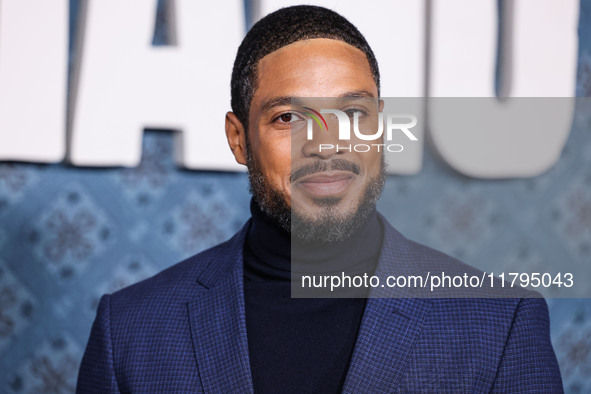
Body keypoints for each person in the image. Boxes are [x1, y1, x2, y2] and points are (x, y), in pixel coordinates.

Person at [77, 5, 563, 393]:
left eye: (353, 112)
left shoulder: (500, 322)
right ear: (238, 137)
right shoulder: (131, 330)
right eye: (288, 118)